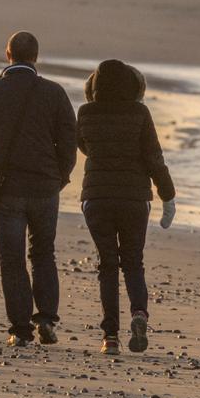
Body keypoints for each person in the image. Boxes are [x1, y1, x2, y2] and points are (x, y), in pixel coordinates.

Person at [0, 31, 77, 347]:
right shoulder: (54, 93)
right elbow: (69, 140)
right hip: (45, 187)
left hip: (7, 188)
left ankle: (20, 329)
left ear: (8, 55)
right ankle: (47, 318)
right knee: (43, 252)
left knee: (12, 258)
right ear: (36, 57)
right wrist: (60, 177)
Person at [77, 59, 176, 356]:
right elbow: (153, 157)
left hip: (97, 197)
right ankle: (139, 313)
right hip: (134, 199)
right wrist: (167, 195)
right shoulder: (139, 113)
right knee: (133, 261)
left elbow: (83, 146)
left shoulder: (85, 112)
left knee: (107, 265)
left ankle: (110, 337)